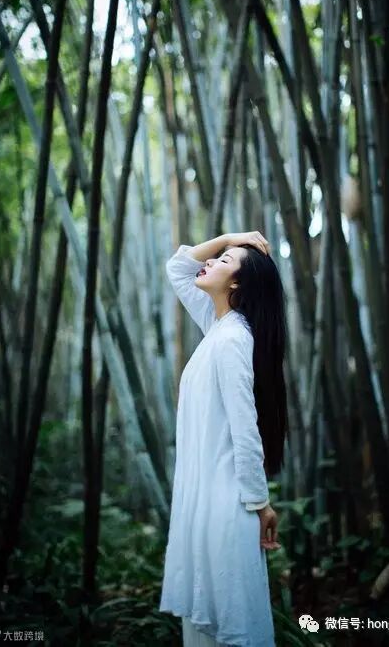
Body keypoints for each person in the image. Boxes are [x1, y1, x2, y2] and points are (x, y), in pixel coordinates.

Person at [159, 231, 289, 647]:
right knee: (207, 627)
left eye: (225, 261)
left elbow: (245, 428)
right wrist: (231, 239)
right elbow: (178, 267)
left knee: (231, 629)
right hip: (204, 504)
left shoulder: (233, 339)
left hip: (226, 506)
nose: (210, 260)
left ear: (236, 284)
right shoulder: (218, 327)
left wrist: (259, 502)